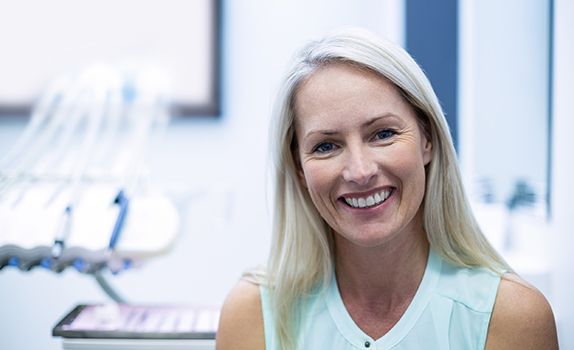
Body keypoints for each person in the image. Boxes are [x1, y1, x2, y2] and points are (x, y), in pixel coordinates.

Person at [216, 28, 559, 350]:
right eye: (326, 146)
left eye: (383, 134)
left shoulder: (511, 316)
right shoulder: (254, 315)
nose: (360, 171)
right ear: (299, 169)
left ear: (427, 139)